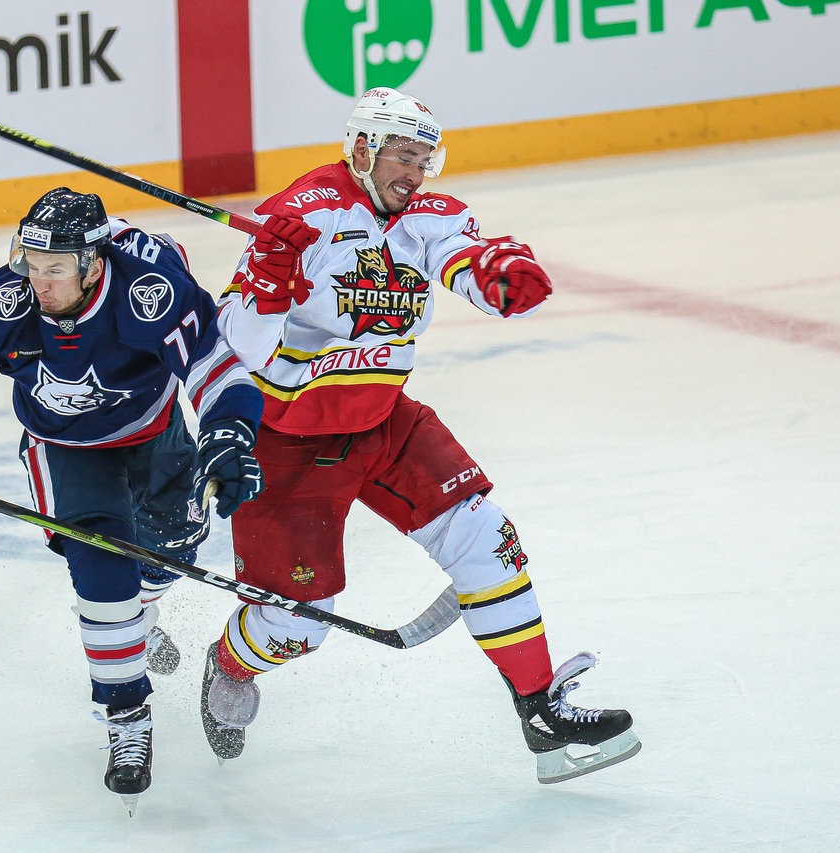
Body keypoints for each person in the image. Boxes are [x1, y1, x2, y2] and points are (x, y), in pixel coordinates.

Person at [199, 89, 640, 784]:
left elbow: (459, 255)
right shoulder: (302, 215)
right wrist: (266, 283)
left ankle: (540, 708)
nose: (415, 172)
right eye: (403, 156)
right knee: (298, 626)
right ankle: (228, 662)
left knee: (488, 541)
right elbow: (234, 351)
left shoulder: (428, 215)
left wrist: (494, 274)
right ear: (363, 148)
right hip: (287, 442)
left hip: (383, 420)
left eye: (424, 158)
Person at [0, 188, 263, 812]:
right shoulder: (10, 299)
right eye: (30, 263)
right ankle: (126, 715)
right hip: (63, 447)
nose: (38, 282)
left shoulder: (148, 292)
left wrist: (230, 432)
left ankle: (137, 618)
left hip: (153, 431)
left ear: (93, 265)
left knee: (172, 552)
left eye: (55, 269)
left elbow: (216, 368)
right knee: (103, 566)